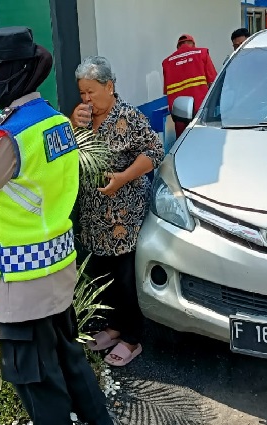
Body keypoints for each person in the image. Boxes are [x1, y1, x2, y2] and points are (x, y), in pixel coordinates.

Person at [0, 27, 124, 425]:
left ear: (13, 76)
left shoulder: (9, 137)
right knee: (70, 361)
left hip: (23, 284)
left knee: (40, 389)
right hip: (56, 270)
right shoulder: (55, 121)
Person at [69, 56, 164, 367]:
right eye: (82, 92)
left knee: (124, 279)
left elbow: (154, 152)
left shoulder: (128, 117)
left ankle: (132, 338)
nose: (86, 99)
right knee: (101, 275)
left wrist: (123, 177)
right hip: (93, 215)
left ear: (109, 87)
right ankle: (113, 327)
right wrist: (72, 125)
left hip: (123, 215)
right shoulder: (81, 118)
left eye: (91, 92)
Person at [162, 34, 218, 138]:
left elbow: (166, 91)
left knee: (182, 142)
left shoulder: (167, 62)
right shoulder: (202, 53)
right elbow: (213, 81)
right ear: (193, 44)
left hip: (179, 115)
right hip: (200, 111)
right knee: (203, 139)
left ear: (178, 47)